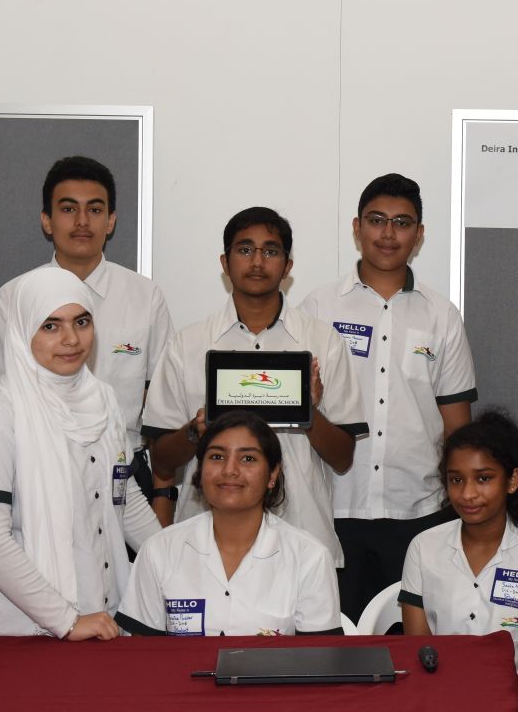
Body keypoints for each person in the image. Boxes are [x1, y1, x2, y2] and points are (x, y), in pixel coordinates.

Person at [142, 207, 365, 567]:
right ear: (225, 262)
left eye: (270, 251)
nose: (258, 261)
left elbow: (343, 459)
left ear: (287, 266)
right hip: (204, 546)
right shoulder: (188, 344)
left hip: (303, 541)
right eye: (245, 249)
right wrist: (196, 431)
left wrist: (308, 413)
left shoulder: (323, 342)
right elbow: (162, 461)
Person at [299, 173, 478, 621]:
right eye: (377, 220)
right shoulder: (319, 308)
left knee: (411, 643)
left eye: (402, 223)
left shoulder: (441, 315)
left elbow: (457, 423)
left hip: (419, 512)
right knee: (335, 641)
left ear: (419, 235)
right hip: (334, 507)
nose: (388, 233)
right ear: (357, 227)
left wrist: (460, 501)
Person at [0, 269, 162, 638]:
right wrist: (66, 620)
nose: (71, 339)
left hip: (102, 618)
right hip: (21, 634)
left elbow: (124, 500)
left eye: (81, 322)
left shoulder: (104, 401)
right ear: (23, 332)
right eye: (50, 326)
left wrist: (174, 565)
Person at [0, 155, 173, 519]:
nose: (82, 221)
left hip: (124, 476)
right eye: (68, 209)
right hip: (33, 477)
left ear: (111, 221)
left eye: (95, 210)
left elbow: (162, 406)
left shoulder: (145, 298)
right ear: (46, 221)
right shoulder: (12, 298)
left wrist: (163, 494)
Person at [400, 410, 518, 712]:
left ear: (512, 481)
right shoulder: (424, 548)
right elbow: (419, 649)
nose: (467, 494)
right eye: (456, 480)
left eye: (483, 479)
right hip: (438, 705)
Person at [120, 411, 340, 636]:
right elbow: (142, 651)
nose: (230, 470)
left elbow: (319, 656)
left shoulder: (309, 558)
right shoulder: (159, 550)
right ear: (200, 469)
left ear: (273, 474)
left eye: (248, 459)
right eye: (217, 457)